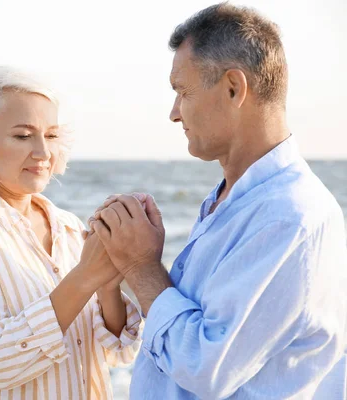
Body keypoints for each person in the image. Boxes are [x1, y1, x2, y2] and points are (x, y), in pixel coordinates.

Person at [89, 3, 347, 399]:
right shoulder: (235, 199)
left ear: (233, 88)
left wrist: (141, 266)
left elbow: (204, 366)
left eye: (183, 91)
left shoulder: (289, 216)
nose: (174, 113)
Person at [0, 66, 141, 399]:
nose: (43, 152)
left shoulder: (69, 227)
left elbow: (117, 353)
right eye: (23, 136)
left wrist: (108, 284)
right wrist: (85, 277)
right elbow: (0, 360)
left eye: (51, 135)